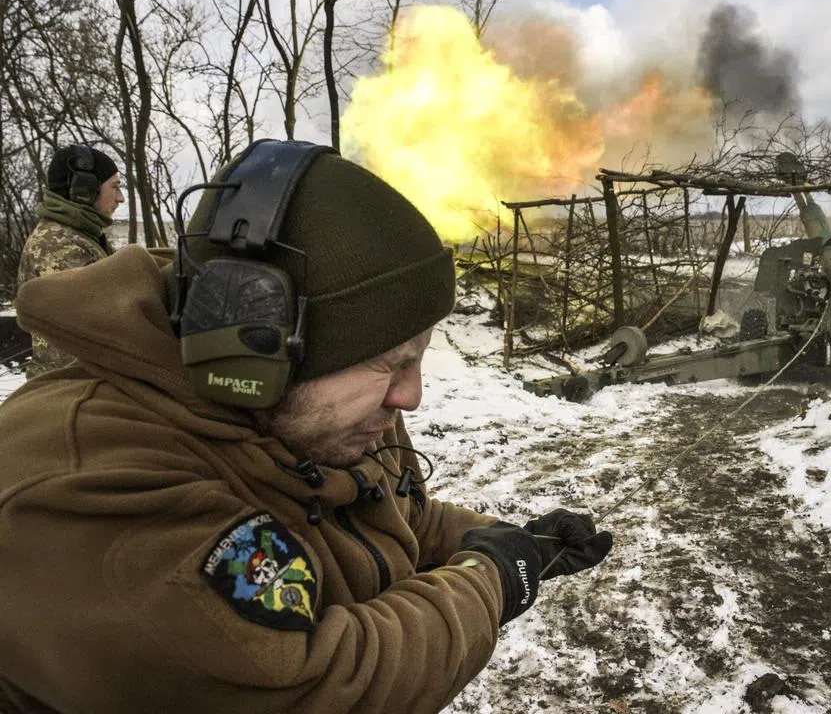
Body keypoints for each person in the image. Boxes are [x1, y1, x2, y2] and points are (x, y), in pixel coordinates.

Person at [0, 139, 613, 713]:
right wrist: (493, 580)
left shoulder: (324, 418)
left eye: (419, 358)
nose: (413, 396)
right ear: (253, 352)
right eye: (391, 362)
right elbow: (315, 680)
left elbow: (397, 516)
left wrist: (520, 543)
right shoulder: (89, 485)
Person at [16, 143, 125, 377]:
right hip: (67, 388)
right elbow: (96, 327)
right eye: (114, 187)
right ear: (84, 190)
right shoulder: (58, 246)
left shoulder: (82, 237)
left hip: (83, 380)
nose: (121, 198)